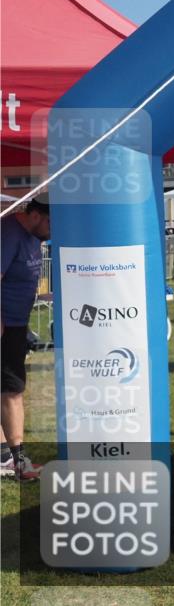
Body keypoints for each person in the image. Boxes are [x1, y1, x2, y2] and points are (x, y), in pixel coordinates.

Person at [1, 197, 50, 481]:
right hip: (6, 325)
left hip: (16, 323)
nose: (52, 231)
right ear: (33, 214)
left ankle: (5, 457)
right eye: (49, 222)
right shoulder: (8, 232)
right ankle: (19, 461)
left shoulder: (33, 236)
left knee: (6, 390)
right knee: (13, 390)